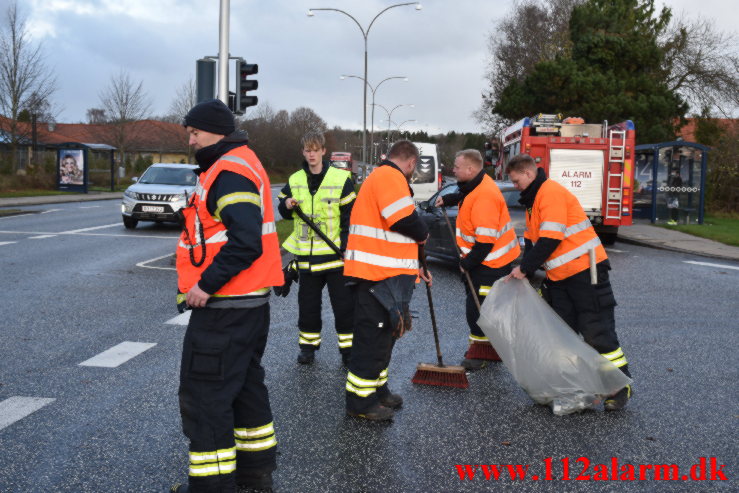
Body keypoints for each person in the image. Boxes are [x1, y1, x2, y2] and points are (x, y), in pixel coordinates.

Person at [172, 99, 283, 493]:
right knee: (246, 389)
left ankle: (212, 487)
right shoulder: (241, 161)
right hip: (248, 304)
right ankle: (254, 475)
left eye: (194, 132)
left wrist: (204, 286)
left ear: (215, 132)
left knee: (206, 397)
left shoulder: (229, 170)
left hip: (225, 306)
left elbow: (246, 240)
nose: (190, 139)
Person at [505, 154, 632, 411]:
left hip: (586, 271)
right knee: (561, 332)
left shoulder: (550, 193)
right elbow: (533, 242)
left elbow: (551, 238)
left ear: (529, 174)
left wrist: (525, 268)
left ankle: (620, 386)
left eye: (516, 181)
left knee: (597, 331)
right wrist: (525, 271)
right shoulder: (534, 200)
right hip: (561, 277)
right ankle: (573, 386)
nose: (515, 186)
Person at [343, 140, 431, 422]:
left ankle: (377, 391)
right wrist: (424, 233)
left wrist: (416, 265)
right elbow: (404, 220)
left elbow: (394, 234)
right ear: (411, 162)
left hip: (385, 275)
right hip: (376, 277)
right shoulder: (390, 177)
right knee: (371, 341)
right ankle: (360, 402)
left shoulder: (383, 177)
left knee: (384, 339)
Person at [434, 149, 520, 370]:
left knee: (479, 309)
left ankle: (480, 355)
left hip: (490, 263)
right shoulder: (477, 185)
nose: (453, 169)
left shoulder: (484, 197)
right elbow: (466, 191)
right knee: (483, 308)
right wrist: (453, 198)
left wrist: (466, 264)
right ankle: (488, 350)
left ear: (470, 169)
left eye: (457, 167)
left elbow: (485, 242)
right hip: (487, 261)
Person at [277, 131, 356, 366]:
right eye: (307, 150)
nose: (311, 154)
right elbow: (283, 213)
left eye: (315, 149)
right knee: (308, 308)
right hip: (306, 258)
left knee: (343, 308)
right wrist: (287, 204)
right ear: (303, 152)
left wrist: (346, 247)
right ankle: (307, 348)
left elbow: (349, 219)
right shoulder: (295, 180)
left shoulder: (341, 179)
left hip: (334, 258)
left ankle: (348, 351)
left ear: (324, 151)